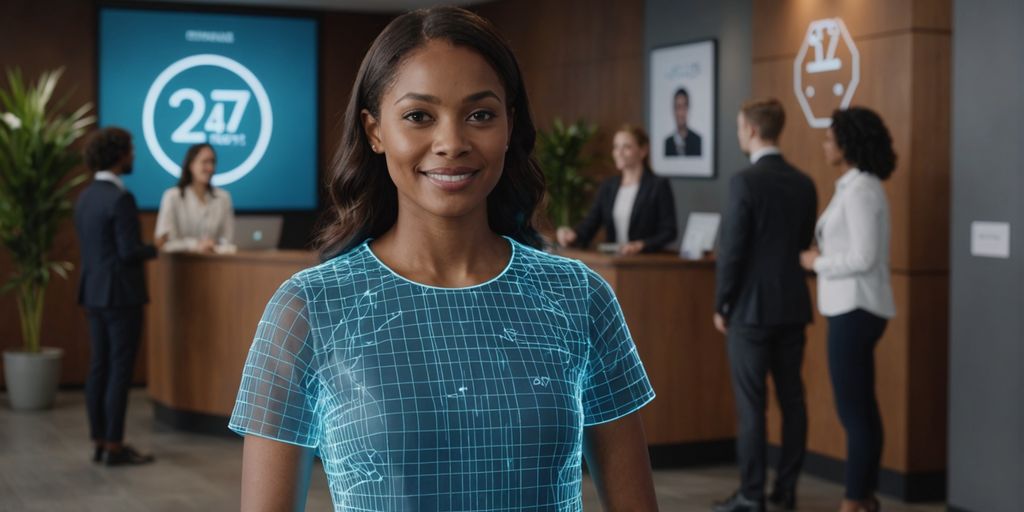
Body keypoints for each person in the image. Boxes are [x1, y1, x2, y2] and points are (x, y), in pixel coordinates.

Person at [228, 7, 659, 511]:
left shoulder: (578, 296)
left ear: (509, 125)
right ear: (375, 131)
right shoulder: (309, 308)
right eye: (418, 116)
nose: (452, 143)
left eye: (480, 114)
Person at [712, 98, 818, 512]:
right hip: (793, 305)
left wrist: (722, 301)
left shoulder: (745, 182)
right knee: (793, 400)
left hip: (750, 311)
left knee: (752, 404)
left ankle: (750, 495)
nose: (740, 133)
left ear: (752, 131)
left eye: (740, 127)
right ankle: (786, 489)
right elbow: (802, 241)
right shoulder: (805, 182)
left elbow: (733, 250)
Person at [800, 107, 896, 512]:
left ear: (847, 143)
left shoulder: (861, 190)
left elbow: (864, 257)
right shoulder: (853, 186)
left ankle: (854, 501)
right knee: (861, 408)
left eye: (829, 137)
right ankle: (864, 497)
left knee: (853, 411)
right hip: (851, 307)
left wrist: (815, 263)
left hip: (856, 309)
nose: (824, 144)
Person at [74, 127, 157, 466]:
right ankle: (114, 446)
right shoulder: (121, 198)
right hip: (121, 296)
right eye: (131, 149)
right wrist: (156, 248)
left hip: (93, 293)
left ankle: (99, 440)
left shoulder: (86, 197)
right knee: (120, 370)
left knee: (99, 368)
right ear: (119, 155)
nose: (134, 155)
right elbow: (128, 252)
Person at [557, 124, 677, 255]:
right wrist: (572, 234)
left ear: (642, 151)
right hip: (614, 264)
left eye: (626, 147)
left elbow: (669, 231)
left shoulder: (658, 186)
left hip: (645, 263)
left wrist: (642, 245)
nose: (618, 153)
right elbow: (590, 224)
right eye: (616, 147)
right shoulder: (608, 187)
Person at [154, 143, 235, 253]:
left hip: (216, 265)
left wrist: (214, 246)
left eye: (213, 162)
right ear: (191, 165)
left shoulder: (223, 198)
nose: (210, 168)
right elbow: (164, 242)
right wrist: (195, 245)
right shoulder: (172, 196)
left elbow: (227, 240)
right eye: (205, 162)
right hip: (181, 265)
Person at [664, 87, 702, 157]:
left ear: (688, 109)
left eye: (684, 107)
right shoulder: (667, 143)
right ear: (674, 110)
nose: (681, 113)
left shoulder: (697, 141)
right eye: (678, 107)